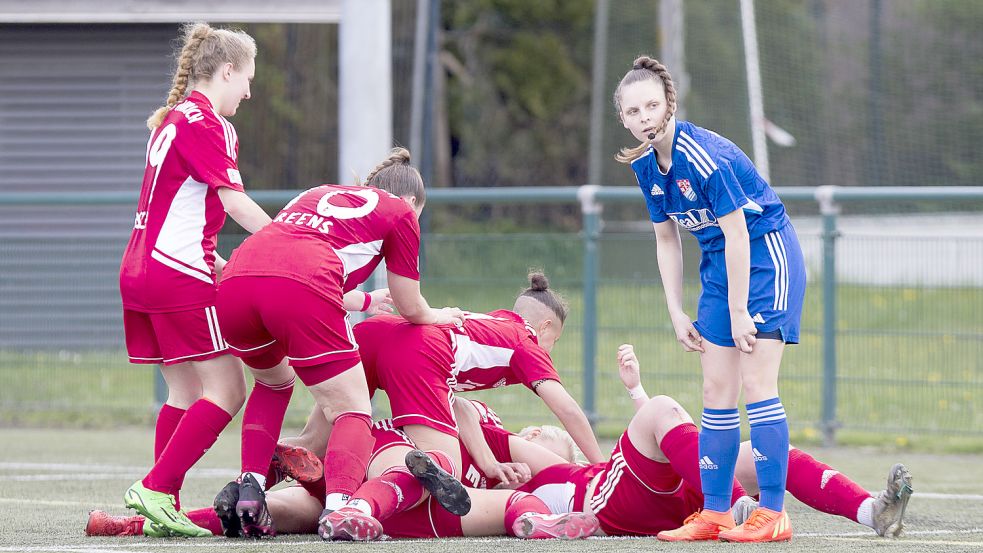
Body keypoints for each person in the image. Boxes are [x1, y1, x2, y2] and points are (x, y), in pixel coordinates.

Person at [214, 147, 465, 537]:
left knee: (272, 382)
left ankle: (252, 485)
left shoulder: (316, 194)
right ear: (413, 201)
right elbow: (411, 305)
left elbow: (288, 270)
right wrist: (438, 315)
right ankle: (340, 506)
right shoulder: (401, 213)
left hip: (237, 278)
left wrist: (365, 300)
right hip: (300, 283)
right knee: (352, 410)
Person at [613, 55, 808, 541]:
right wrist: (676, 310)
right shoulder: (646, 168)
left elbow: (739, 230)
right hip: (722, 266)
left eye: (652, 106)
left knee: (757, 382)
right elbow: (666, 239)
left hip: (766, 256)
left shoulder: (704, 156)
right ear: (623, 117)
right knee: (715, 390)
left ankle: (773, 514)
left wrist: (740, 311)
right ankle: (716, 512)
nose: (644, 118)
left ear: (669, 103)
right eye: (633, 112)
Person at [118, 22, 275, 537]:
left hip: (141, 269)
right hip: (175, 273)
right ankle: (157, 488)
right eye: (247, 77)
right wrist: (289, 243)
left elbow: (180, 209)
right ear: (226, 71)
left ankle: (163, 505)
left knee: (184, 391)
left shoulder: (170, 120)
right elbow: (232, 203)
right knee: (229, 387)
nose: (249, 91)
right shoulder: (211, 123)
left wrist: (216, 259)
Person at [513, 344, 913, 540]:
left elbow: (665, 443)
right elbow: (517, 509)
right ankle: (738, 504)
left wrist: (636, 391)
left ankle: (870, 511)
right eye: (538, 434)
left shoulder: (562, 468)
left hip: (671, 498)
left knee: (769, 455)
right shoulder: (530, 476)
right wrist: (541, 523)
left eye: (540, 435)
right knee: (665, 408)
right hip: (616, 500)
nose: (537, 436)